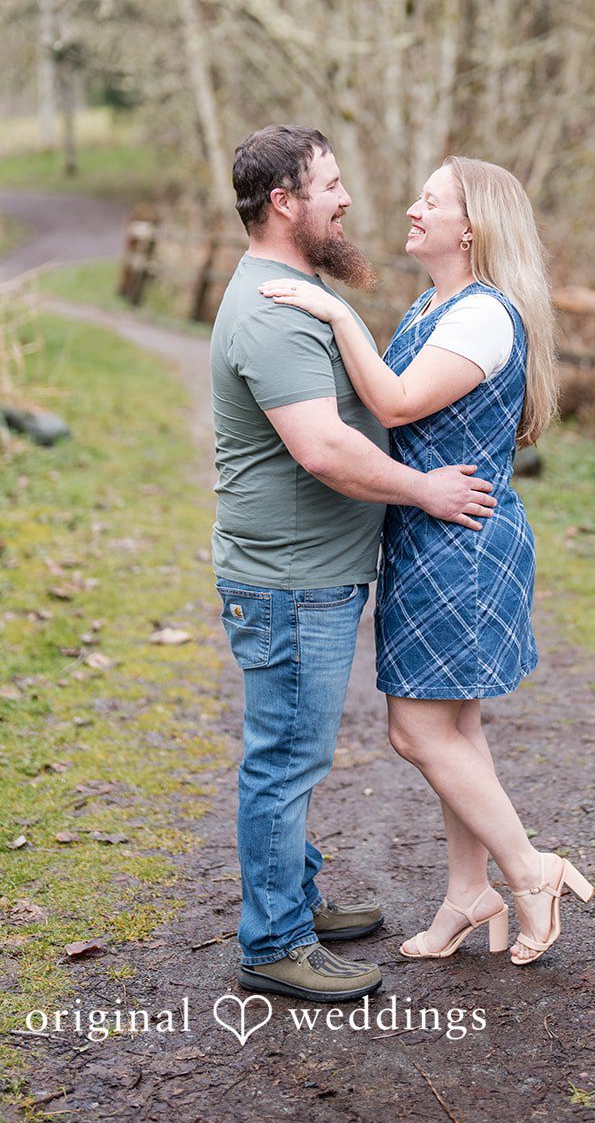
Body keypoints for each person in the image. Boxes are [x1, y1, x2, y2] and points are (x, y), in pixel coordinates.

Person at [259, 154, 594, 967]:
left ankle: (528, 870)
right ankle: (466, 894)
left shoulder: (482, 316)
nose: (411, 208)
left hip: (462, 545)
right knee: (456, 727)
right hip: (430, 535)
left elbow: (397, 403)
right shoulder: (435, 304)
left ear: (470, 226)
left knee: (416, 732)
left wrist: (335, 316)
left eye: (430, 200)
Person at [211, 126, 497, 1004]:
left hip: (309, 575)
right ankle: (275, 942)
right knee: (284, 760)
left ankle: (294, 900)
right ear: (284, 204)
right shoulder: (271, 308)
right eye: (328, 186)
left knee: (293, 754)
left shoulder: (292, 290)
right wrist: (423, 490)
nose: (344, 200)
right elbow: (325, 450)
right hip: (291, 581)